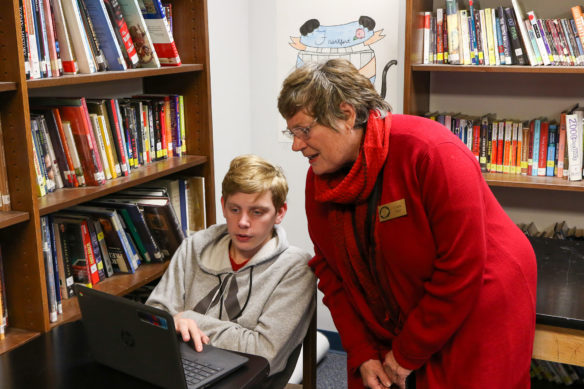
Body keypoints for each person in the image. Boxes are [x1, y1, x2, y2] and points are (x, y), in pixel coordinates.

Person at [277, 58, 537, 389]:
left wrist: (405, 354)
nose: (296, 145)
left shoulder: (430, 151)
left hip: (479, 299)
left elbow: (461, 267)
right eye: (291, 132)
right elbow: (331, 273)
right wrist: (361, 351)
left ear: (345, 114)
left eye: (304, 130)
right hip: (400, 304)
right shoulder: (321, 180)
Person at [146, 154, 315, 386]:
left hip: (247, 380)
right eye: (235, 209)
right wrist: (167, 320)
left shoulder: (295, 267)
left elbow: (265, 353)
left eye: (257, 212)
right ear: (223, 205)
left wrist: (185, 319)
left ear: (280, 213)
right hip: (179, 372)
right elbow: (154, 314)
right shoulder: (196, 245)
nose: (243, 222)